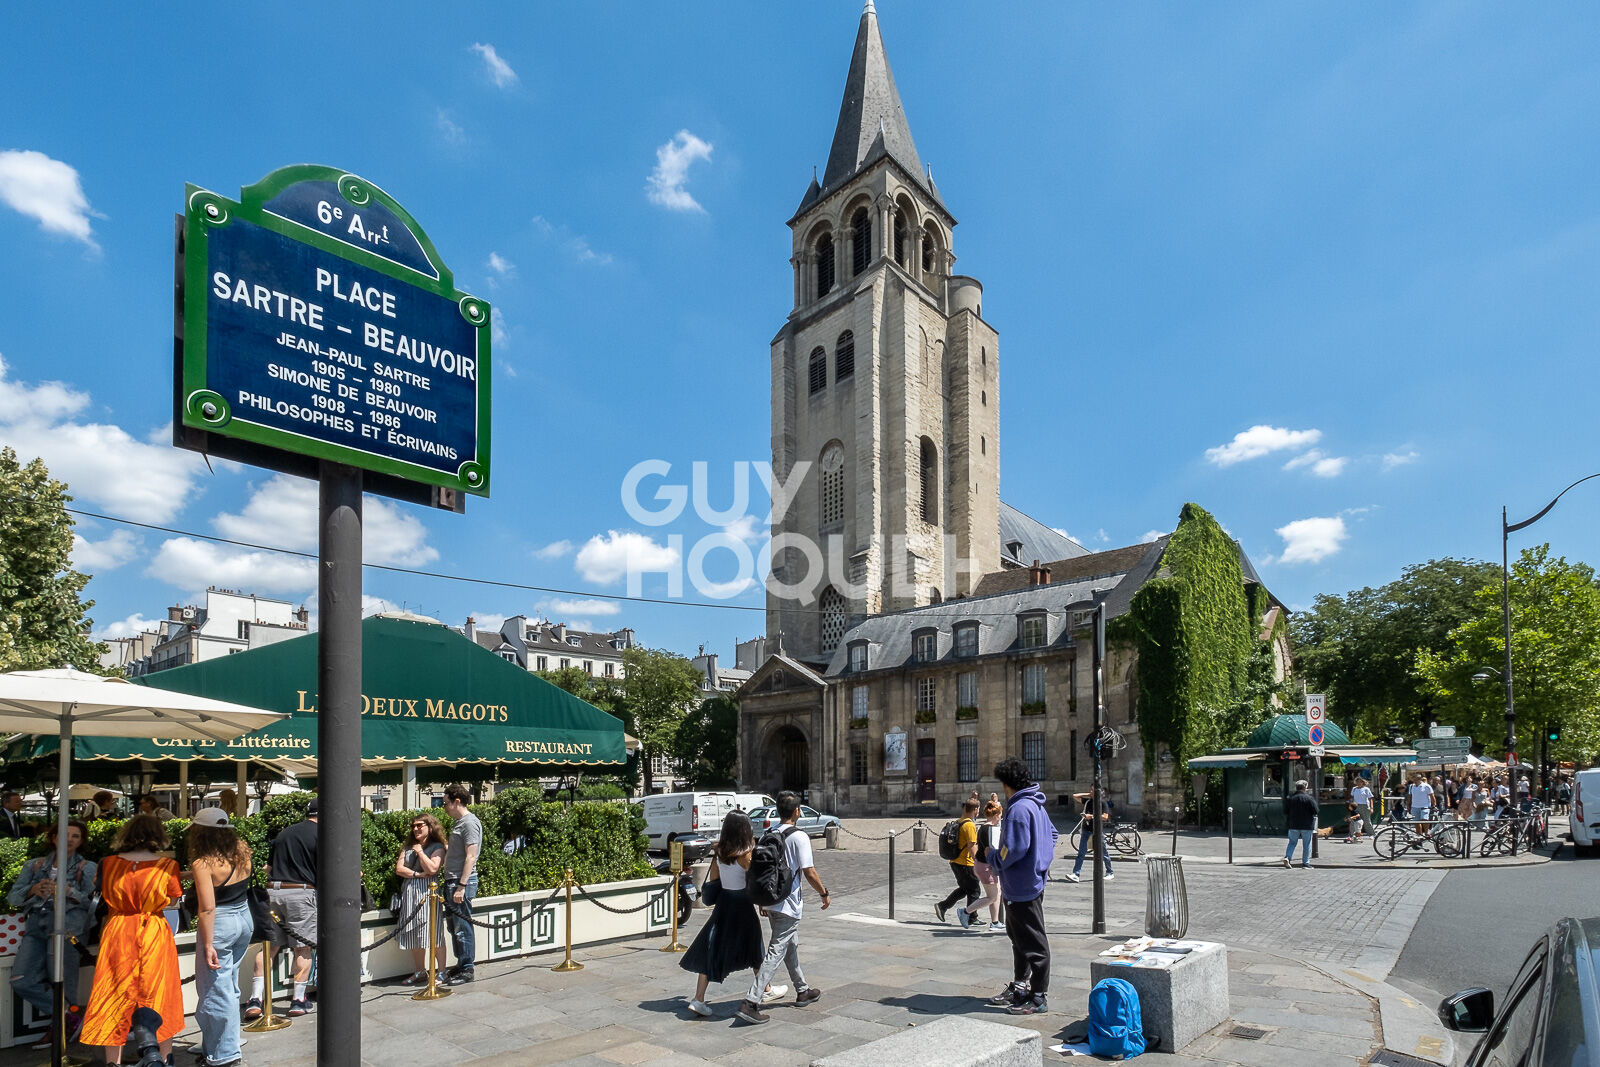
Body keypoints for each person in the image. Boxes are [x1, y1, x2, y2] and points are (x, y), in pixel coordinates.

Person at [79, 814, 183, 1064]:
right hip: (153, 930)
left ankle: (112, 1061)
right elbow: (174, 899)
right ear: (157, 836)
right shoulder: (167, 866)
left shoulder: (108, 863)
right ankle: (164, 1057)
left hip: (118, 930)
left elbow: (101, 891)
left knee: (113, 992)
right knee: (159, 992)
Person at [737, 791, 828, 1025]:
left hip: (771, 899)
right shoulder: (799, 837)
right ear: (797, 811)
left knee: (790, 945)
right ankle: (751, 1001)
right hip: (789, 902)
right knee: (777, 951)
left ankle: (803, 989)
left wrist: (762, 901)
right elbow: (809, 871)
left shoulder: (770, 833)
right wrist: (823, 893)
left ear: (778, 811)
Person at [7, 820, 95, 1049]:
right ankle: (70, 1015)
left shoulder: (86, 867)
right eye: (65, 834)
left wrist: (68, 891)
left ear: (81, 841)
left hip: (68, 929)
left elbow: (94, 902)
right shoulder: (34, 865)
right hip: (37, 925)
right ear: (54, 837)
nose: (70, 839)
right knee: (21, 979)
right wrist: (33, 890)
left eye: (76, 836)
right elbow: (13, 898)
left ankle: (61, 1027)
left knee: (64, 982)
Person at [984, 757, 1056, 1016]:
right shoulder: (1036, 805)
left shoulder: (1018, 809)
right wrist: (1041, 862)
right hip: (1030, 881)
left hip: (1022, 885)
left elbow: (1012, 849)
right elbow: (1054, 834)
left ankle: (1037, 996)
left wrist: (993, 856)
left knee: (1033, 942)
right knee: (1020, 939)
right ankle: (1020, 985)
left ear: (1006, 784)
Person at [682, 811, 767, 1016]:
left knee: (712, 947)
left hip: (724, 903)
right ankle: (765, 989)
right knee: (755, 945)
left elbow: (714, 879)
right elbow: (754, 881)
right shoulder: (746, 854)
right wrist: (763, 902)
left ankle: (699, 998)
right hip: (742, 903)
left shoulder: (720, 851)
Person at [188, 807, 253, 1067]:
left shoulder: (202, 863)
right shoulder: (243, 850)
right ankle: (222, 1043)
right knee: (228, 986)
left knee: (215, 989)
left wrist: (206, 944)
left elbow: (207, 908)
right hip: (244, 917)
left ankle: (225, 1055)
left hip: (221, 923)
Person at [245, 795, 318, 1020]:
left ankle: (256, 999)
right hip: (301, 892)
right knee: (303, 948)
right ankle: (298, 1000)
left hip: (273, 891)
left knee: (269, 946)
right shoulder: (323, 835)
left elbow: (268, 867)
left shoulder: (284, 833)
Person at [395, 813, 447, 984]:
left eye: (419, 825)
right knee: (415, 933)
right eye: (413, 826)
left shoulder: (437, 846)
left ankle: (442, 971)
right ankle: (419, 971)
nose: (415, 828)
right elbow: (399, 869)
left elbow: (432, 868)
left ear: (429, 827)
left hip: (429, 893)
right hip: (411, 893)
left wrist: (420, 852)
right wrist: (417, 874)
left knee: (434, 931)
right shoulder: (408, 846)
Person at [442, 784, 482, 985]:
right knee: (454, 926)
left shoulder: (468, 823)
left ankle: (467, 969)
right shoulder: (460, 823)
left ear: (457, 801)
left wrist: (462, 886)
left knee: (462, 927)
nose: (444, 807)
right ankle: (462, 964)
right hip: (453, 881)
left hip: (459, 882)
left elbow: (471, 856)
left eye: (445, 803)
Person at [934, 799, 982, 928]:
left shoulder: (959, 821)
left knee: (964, 889)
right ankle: (972, 917)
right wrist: (979, 862)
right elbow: (972, 848)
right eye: (978, 809)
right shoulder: (970, 825)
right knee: (974, 891)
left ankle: (943, 906)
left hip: (955, 861)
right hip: (966, 863)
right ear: (975, 810)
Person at [1064, 792, 1114, 883]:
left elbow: (1105, 817)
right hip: (1086, 830)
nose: (1091, 792)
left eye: (1093, 790)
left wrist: (1091, 816)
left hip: (1097, 830)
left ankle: (1110, 872)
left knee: (1103, 853)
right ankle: (1076, 874)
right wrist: (1087, 794)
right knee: (1081, 853)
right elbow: (1074, 796)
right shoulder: (1088, 801)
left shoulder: (1102, 802)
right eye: (1091, 790)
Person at [973, 797, 1005, 932]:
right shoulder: (991, 829)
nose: (1001, 819)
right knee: (992, 896)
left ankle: (995, 921)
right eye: (1000, 817)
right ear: (996, 815)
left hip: (983, 865)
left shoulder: (983, 827)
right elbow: (990, 850)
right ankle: (966, 911)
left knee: (996, 893)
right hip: (986, 866)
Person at [1283, 779, 1319, 869]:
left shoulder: (1290, 798)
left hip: (1293, 824)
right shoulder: (1309, 798)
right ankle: (1305, 863)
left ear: (1296, 787)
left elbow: (1285, 811)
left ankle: (1288, 857)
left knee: (1292, 842)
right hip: (1306, 824)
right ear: (1305, 787)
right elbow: (1316, 810)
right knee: (1306, 844)